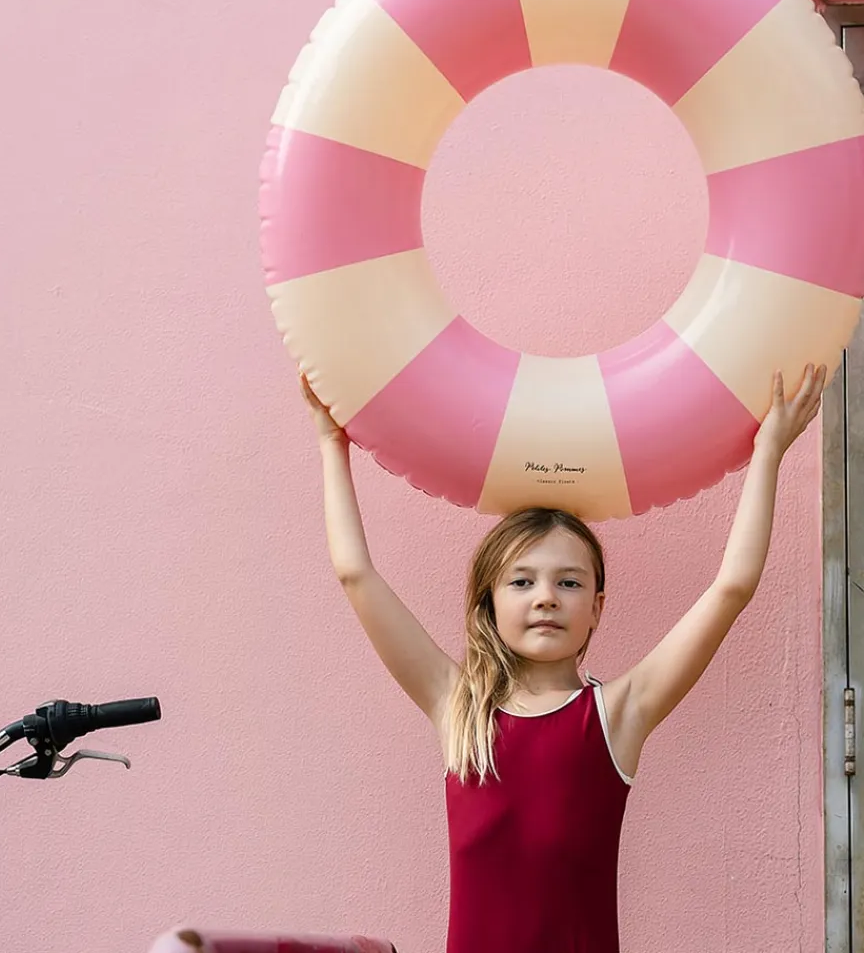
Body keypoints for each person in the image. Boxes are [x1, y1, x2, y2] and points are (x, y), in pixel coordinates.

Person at [301, 363, 826, 953]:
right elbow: (356, 574)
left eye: (569, 582)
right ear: (489, 602)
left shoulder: (617, 715)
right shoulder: (458, 708)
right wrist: (331, 444)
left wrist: (768, 453)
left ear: (597, 607)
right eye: (522, 581)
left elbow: (732, 587)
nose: (546, 597)